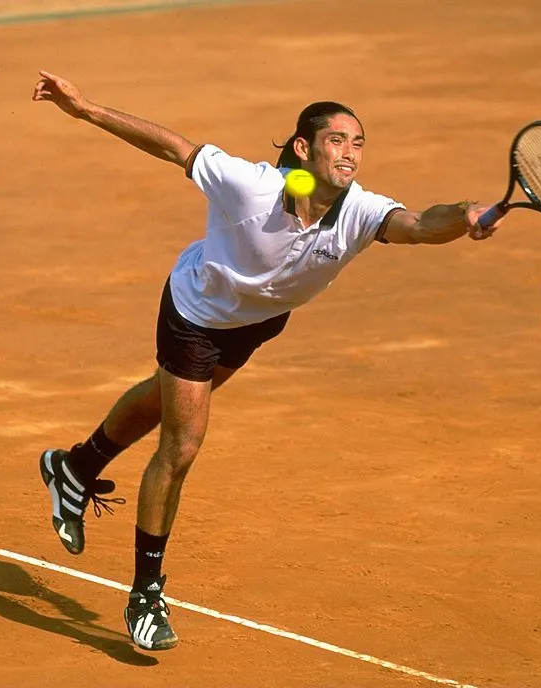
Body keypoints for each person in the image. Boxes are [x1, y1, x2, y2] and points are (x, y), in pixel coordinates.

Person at [30, 69, 502, 652]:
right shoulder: (250, 186)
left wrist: (466, 213)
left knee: (164, 400)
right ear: (303, 148)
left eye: (358, 143)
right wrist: (85, 110)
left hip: (259, 320)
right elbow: (174, 147)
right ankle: (145, 595)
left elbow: (422, 225)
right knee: (182, 443)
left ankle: (74, 468)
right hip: (197, 312)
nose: (350, 153)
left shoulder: (361, 210)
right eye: (337, 140)